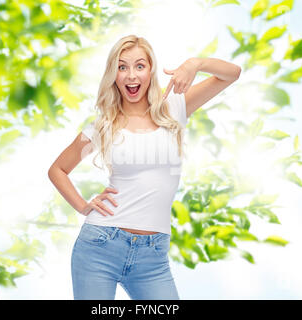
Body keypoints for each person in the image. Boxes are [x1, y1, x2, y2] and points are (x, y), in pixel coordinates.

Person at [48, 34, 241, 300]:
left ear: (151, 70)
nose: (131, 76)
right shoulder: (103, 125)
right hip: (101, 245)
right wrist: (83, 206)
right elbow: (57, 170)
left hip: (153, 257)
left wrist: (195, 64)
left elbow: (232, 74)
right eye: (122, 66)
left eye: (139, 66)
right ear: (113, 74)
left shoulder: (173, 107)